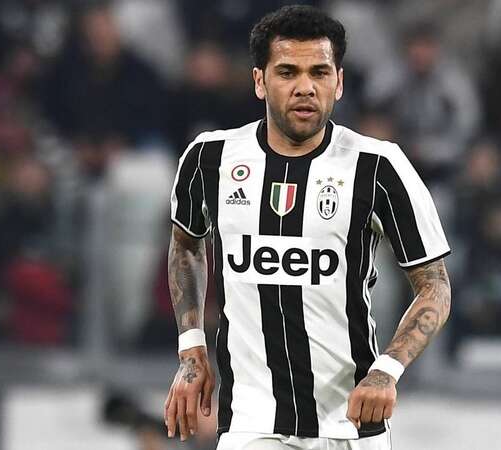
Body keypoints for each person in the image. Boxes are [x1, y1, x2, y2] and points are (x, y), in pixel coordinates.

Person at [164, 5, 451, 449]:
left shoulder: (378, 166)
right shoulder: (209, 159)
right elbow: (186, 245)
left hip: (350, 425)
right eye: (287, 72)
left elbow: (434, 286)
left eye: (319, 72)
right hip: (251, 425)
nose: (305, 87)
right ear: (259, 81)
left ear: (339, 82)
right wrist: (191, 347)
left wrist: (386, 371)